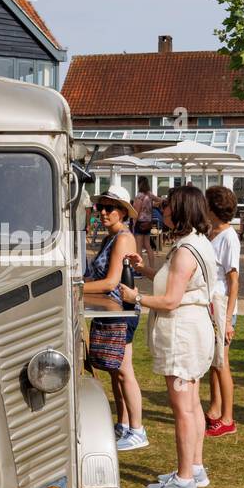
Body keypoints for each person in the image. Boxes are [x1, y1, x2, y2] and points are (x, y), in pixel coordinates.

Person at [120, 186, 218, 488]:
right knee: (192, 403)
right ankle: (196, 467)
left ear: (182, 211)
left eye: (168, 206)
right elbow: (175, 280)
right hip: (194, 332)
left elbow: (171, 299)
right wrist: (143, 269)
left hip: (183, 336)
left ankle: (184, 478)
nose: (163, 211)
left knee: (183, 409)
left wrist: (135, 297)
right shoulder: (197, 243)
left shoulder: (186, 250)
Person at [82, 185, 147, 450]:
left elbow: (109, 282)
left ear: (122, 212)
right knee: (114, 371)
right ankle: (123, 424)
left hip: (121, 311)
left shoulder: (123, 238)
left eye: (110, 208)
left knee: (123, 371)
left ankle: (138, 430)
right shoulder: (111, 237)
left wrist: (74, 286)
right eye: (101, 207)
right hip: (109, 311)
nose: (103, 212)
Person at [203, 186, 241, 437]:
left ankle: (228, 418)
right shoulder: (210, 232)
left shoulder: (229, 237)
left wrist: (227, 319)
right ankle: (215, 409)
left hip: (222, 307)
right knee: (214, 362)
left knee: (222, 363)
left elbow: (233, 280)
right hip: (209, 305)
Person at [133, 176, 156, 266]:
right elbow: (160, 200)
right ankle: (152, 267)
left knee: (138, 247)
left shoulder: (140, 196)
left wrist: (133, 224)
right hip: (148, 223)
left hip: (140, 223)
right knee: (148, 246)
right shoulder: (149, 195)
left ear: (139, 184)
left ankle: (140, 269)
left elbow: (136, 212)